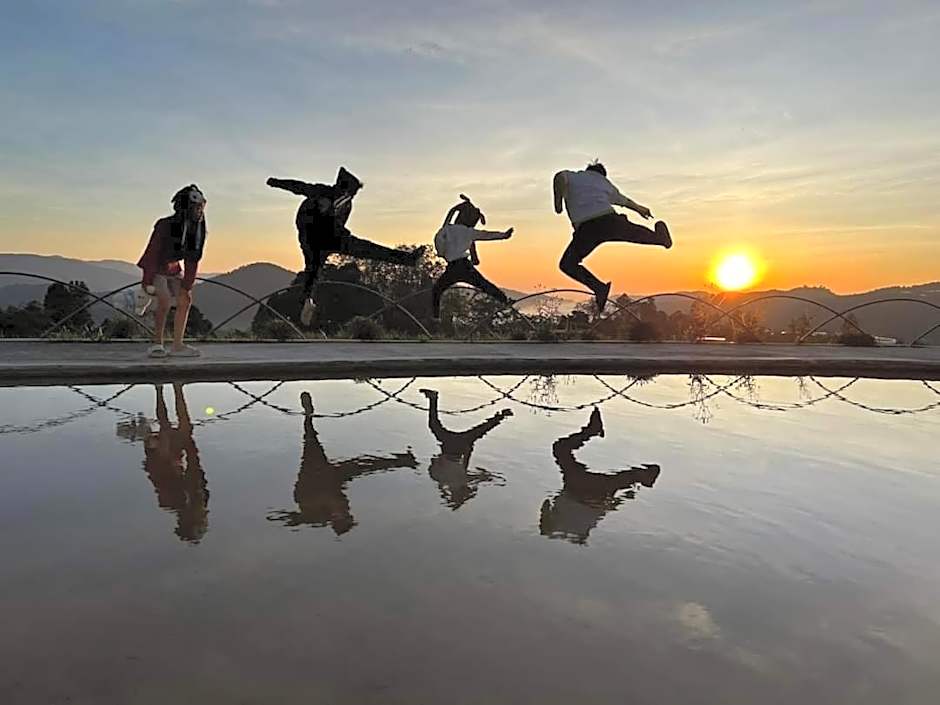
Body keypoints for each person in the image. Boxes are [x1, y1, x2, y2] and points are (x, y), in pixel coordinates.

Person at [267, 168, 426, 326]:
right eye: (351, 193)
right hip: (311, 237)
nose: (352, 197)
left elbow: (339, 225)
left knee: (367, 250)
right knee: (313, 269)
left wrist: (344, 237)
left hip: (333, 237)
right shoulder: (323, 192)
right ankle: (306, 300)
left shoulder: (347, 204)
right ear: (342, 188)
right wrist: (275, 183)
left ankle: (409, 259)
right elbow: (299, 187)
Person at [267, 392, 418, 535]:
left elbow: (296, 519)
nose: (348, 512)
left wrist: (278, 519)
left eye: (346, 517)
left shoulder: (316, 516)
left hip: (313, 478)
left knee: (311, 441)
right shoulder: (341, 508)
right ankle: (402, 461)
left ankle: (308, 416)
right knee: (364, 466)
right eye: (349, 516)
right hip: (332, 481)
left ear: (336, 519)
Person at [553, 162, 672, 313]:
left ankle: (599, 287)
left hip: (587, 229)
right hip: (609, 220)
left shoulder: (574, 176)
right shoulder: (605, 183)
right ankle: (660, 238)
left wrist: (558, 203)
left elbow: (559, 177)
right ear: (602, 174)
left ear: (587, 170)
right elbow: (624, 200)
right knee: (632, 233)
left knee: (567, 264)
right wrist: (640, 209)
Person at [539, 407, 660, 545]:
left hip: (589, 496)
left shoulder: (577, 528)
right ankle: (593, 431)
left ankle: (640, 475)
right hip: (579, 491)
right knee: (560, 449)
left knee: (611, 483)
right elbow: (546, 509)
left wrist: (621, 498)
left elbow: (605, 509)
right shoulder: (561, 529)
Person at [116, 383, 209, 543]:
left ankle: (160, 390)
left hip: (159, 458)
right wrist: (187, 443)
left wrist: (164, 447)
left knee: (167, 429)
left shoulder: (169, 501)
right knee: (184, 429)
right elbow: (195, 465)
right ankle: (177, 389)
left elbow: (159, 469)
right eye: (204, 521)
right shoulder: (201, 498)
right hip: (171, 460)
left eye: (201, 521)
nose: (205, 517)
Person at [136, 184, 208, 358]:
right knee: (165, 300)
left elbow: (192, 259)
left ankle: (177, 345)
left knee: (185, 299)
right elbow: (152, 253)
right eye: (196, 208)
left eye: (201, 207)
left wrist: (187, 285)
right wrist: (147, 281)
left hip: (173, 268)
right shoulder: (164, 225)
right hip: (157, 267)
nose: (200, 211)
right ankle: (157, 343)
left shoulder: (195, 231)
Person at [419, 388, 512, 509]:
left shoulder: (461, 480)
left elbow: (482, 478)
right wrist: (445, 494)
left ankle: (501, 416)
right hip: (451, 447)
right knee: (435, 424)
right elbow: (435, 464)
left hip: (457, 448)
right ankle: (433, 398)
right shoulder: (446, 480)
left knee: (480, 430)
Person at [430, 194, 513, 320]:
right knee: (484, 285)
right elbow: (486, 235)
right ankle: (505, 300)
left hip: (452, 268)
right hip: (464, 266)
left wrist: (458, 207)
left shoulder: (447, 229)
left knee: (437, 290)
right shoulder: (469, 232)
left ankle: (435, 317)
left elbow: (441, 233)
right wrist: (504, 235)